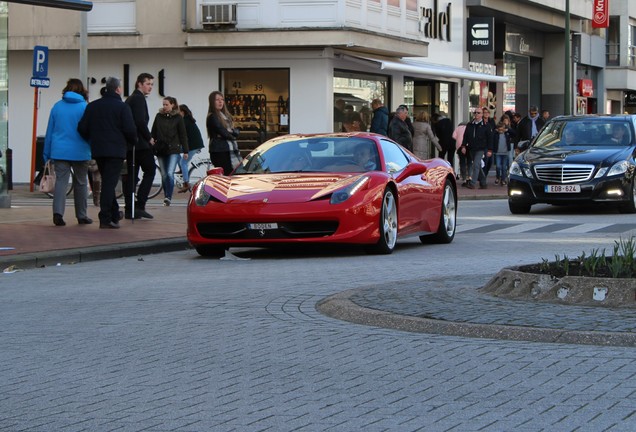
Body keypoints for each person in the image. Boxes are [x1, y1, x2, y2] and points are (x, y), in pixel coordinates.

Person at [78, 76, 137, 229]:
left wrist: (93, 139)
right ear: (118, 89)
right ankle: (105, 217)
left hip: (98, 149)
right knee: (109, 184)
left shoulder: (93, 106)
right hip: (116, 150)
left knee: (108, 181)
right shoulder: (122, 107)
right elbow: (130, 130)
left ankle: (115, 212)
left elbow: (82, 128)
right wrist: (132, 141)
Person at [43, 78, 92, 227]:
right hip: (81, 150)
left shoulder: (57, 107)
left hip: (60, 151)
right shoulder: (85, 107)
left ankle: (58, 214)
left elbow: (49, 131)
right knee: (81, 183)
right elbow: (90, 130)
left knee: (61, 183)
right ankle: (82, 215)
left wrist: (46, 154)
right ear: (81, 90)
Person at [124, 72, 156, 220]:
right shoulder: (138, 98)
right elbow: (140, 121)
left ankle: (130, 208)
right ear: (139, 84)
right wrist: (149, 138)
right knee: (150, 170)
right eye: (148, 84)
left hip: (131, 144)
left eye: (152, 84)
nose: (150, 87)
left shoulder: (131, 98)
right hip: (140, 144)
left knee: (132, 175)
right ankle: (139, 204)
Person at [151, 96, 188, 207]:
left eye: (166, 104)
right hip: (161, 148)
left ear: (172, 105)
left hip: (173, 149)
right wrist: (152, 140)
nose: (164, 107)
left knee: (169, 173)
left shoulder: (178, 117)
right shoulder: (159, 116)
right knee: (163, 174)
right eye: (163, 104)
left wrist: (185, 150)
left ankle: (168, 196)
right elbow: (154, 131)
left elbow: (182, 134)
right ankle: (166, 196)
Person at [206, 91, 242, 175]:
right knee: (226, 176)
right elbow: (224, 133)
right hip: (219, 151)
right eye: (217, 99)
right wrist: (233, 133)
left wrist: (231, 133)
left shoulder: (226, 116)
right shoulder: (212, 116)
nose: (220, 102)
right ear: (212, 102)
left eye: (222, 99)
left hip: (228, 150)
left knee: (232, 174)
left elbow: (229, 133)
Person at [460, 107, 493, 189]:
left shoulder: (486, 125)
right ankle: (483, 182)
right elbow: (465, 136)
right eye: (475, 113)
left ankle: (472, 183)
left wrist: (490, 149)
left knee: (476, 164)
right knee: (477, 165)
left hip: (481, 148)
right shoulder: (470, 124)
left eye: (479, 113)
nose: (476, 114)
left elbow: (490, 138)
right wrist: (463, 146)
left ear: (482, 114)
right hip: (471, 148)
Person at [178, 104, 205, 192]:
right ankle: (182, 171)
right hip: (195, 144)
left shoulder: (184, 121)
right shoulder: (188, 120)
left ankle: (186, 183)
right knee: (176, 151)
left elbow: (182, 136)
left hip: (193, 145)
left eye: (178, 111)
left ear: (182, 112)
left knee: (183, 162)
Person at [492, 121, 514, 186]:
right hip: (498, 152)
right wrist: (495, 131)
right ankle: (498, 177)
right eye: (500, 129)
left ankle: (503, 179)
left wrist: (508, 130)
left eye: (502, 129)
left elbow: (514, 133)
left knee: (504, 167)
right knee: (498, 166)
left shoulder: (507, 134)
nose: (501, 131)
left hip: (505, 152)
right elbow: (491, 135)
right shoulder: (496, 134)